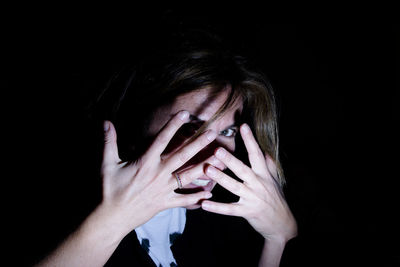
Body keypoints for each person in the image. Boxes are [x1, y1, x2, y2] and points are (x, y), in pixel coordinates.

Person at [36, 27, 297, 267]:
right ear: (142, 118)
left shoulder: (219, 220)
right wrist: (111, 223)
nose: (215, 157)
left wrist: (279, 239)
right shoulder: (69, 202)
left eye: (227, 131)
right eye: (190, 129)